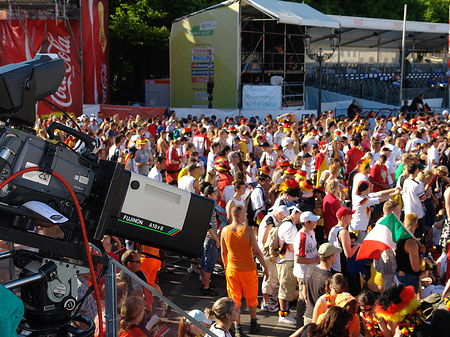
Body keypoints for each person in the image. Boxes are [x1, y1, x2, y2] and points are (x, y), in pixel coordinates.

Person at [220, 205, 269, 336]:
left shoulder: (224, 231)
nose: (247, 215)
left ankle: (237, 327)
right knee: (251, 298)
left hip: (232, 270)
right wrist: (265, 267)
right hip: (248, 270)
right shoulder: (248, 230)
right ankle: (254, 323)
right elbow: (257, 252)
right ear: (240, 216)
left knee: (234, 299)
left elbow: (223, 252)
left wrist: (226, 267)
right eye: (245, 213)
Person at [257, 205, 289, 312]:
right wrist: (270, 251)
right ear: (279, 214)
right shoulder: (269, 220)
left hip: (267, 253)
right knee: (270, 277)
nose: (281, 221)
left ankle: (267, 300)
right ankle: (266, 302)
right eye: (281, 218)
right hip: (266, 254)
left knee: (272, 276)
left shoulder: (270, 218)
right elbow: (264, 238)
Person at [293, 211, 320, 327]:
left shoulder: (312, 233)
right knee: (303, 299)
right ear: (307, 223)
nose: (316, 222)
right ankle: (300, 325)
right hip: (303, 274)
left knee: (307, 298)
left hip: (310, 271)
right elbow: (298, 259)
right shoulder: (301, 237)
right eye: (314, 220)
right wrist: (315, 260)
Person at [276, 204, 302, 325]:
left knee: (287, 287)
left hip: (285, 260)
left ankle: (285, 311)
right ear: (298, 213)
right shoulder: (290, 226)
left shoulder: (287, 223)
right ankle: (283, 313)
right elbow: (291, 247)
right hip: (287, 260)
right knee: (285, 288)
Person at [328, 207, 361, 294]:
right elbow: (348, 254)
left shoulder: (333, 229)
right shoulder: (344, 232)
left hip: (334, 266)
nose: (352, 217)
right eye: (350, 216)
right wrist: (357, 245)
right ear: (343, 218)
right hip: (342, 268)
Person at [396, 212, 425, 293]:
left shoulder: (398, 238)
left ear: (404, 222)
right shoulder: (411, 243)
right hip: (409, 279)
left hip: (399, 276)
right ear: (416, 225)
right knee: (409, 305)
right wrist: (422, 254)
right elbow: (416, 268)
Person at [199, 186, 220, 295]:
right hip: (210, 239)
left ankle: (204, 283)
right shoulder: (209, 207)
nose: (217, 195)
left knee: (204, 262)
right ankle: (206, 287)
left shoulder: (206, 205)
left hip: (207, 238)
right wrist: (216, 239)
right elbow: (209, 226)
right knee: (209, 264)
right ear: (209, 195)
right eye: (214, 193)